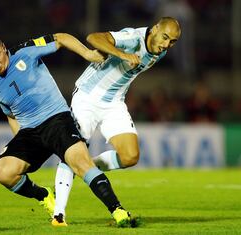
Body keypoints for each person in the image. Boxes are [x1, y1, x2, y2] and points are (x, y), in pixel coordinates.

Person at [0, 32, 132, 227]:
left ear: (4, 47)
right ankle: (44, 195)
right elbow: (11, 114)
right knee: (3, 173)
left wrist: (88, 54)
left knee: (81, 164)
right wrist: (20, 139)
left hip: (56, 119)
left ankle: (117, 209)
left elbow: (60, 38)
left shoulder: (25, 52)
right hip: (30, 132)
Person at [53, 17, 181, 225]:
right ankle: (58, 214)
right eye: (165, 37)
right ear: (155, 28)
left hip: (114, 103)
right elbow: (93, 37)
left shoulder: (160, 51)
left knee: (130, 156)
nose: (167, 44)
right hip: (87, 97)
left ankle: (86, 167)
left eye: (173, 41)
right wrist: (122, 53)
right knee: (73, 151)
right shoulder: (133, 39)